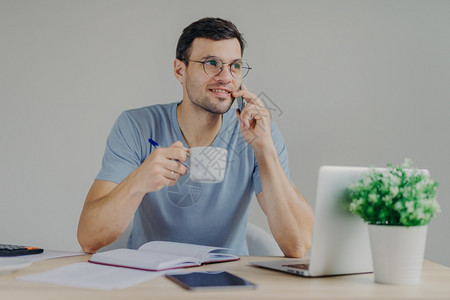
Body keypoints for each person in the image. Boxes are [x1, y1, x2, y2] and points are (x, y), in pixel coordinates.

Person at [77, 17, 314, 257]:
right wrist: (138, 182)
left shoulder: (259, 132)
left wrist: (265, 149)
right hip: (150, 279)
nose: (226, 77)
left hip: (227, 281)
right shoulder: (136, 126)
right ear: (180, 70)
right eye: (212, 63)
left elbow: (297, 245)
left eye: (235, 66)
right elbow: (89, 239)